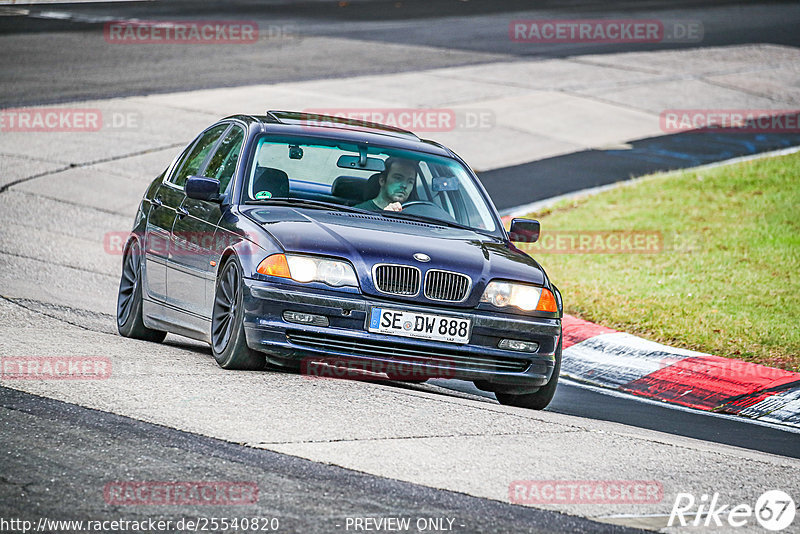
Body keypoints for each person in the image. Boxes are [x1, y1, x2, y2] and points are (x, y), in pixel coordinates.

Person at [354, 156, 419, 212]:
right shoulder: (358, 212)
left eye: (410, 181)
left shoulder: (415, 216)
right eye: (398, 178)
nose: (404, 185)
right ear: (382, 180)